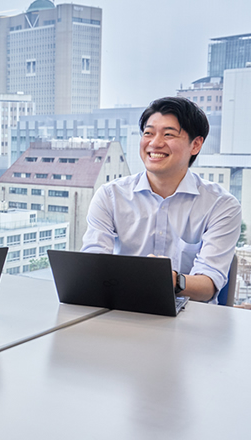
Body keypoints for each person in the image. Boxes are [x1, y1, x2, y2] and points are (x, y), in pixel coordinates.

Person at [81, 96, 241, 303]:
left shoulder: (221, 205)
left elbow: (208, 286)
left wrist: (173, 281)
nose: (155, 143)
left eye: (168, 134)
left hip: (191, 319)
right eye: (148, 133)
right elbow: (93, 265)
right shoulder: (110, 196)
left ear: (196, 145)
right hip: (124, 310)